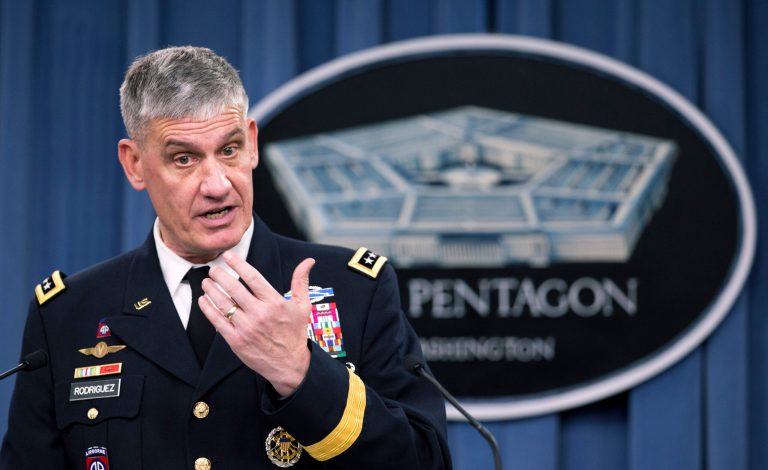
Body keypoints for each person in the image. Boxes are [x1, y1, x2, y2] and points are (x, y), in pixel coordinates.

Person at [0, 46, 450, 469]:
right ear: (134, 163)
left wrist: (302, 374)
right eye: (184, 159)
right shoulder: (67, 315)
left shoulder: (356, 290)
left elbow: (425, 460)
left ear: (252, 143)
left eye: (229, 150)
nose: (217, 185)